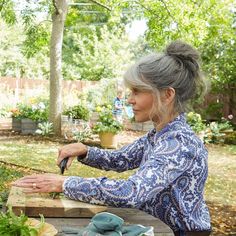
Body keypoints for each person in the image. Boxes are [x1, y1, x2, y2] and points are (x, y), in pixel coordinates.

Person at [13, 40, 211, 236]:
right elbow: (120, 159)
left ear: (167, 95)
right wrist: (85, 151)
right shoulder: (159, 135)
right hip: (157, 227)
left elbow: (132, 192)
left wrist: (64, 183)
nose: (129, 99)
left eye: (137, 91)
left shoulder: (178, 143)